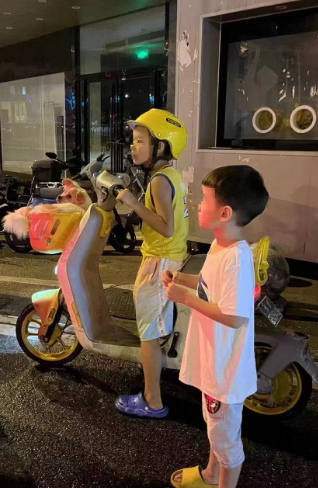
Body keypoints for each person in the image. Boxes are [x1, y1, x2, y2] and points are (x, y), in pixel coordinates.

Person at [165, 165, 269, 488]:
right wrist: (184, 280)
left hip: (225, 370)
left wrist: (185, 298)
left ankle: (223, 481)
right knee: (215, 426)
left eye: (204, 198)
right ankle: (211, 475)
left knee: (225, 438)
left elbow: (233, 315)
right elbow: (209, 284)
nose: (197, 203)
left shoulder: (236, 259)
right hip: (215, 361)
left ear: (224, 213)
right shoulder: (219, 245)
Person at [113, 109, 189, 418]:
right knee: (154, 330)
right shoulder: (171, 176)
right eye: (134, 140)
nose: (133, 146)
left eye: (140, 141)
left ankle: (153, 401)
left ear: (161, 146)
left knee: (149, 333)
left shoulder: (158, 181)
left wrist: (132, 202)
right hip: (170, 256)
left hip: (160, 261)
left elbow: (166, 227)